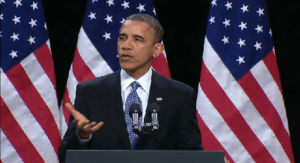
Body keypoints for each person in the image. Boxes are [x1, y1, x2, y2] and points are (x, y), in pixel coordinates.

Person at [58, 13, 203, 163]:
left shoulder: (179, 95)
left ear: (157, 50)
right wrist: (83, 137)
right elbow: (65, 157)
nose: (126, 46)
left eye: (137, 39)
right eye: (122, 38)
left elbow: (192, 154)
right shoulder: (89, 92)